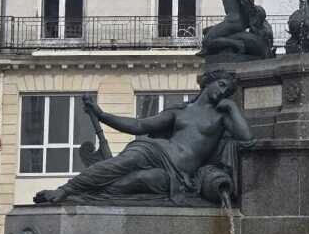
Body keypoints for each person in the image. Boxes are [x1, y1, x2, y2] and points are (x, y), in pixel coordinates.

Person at [33, 71, 255, 207]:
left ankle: (86, 193)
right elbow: (139, 125)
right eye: (223, 85)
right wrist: (102, 115)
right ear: (209, 83)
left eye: (229, 91)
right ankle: (65, 190)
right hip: (154, 150)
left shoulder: (222, 117)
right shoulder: (180, 111)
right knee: (117, 165)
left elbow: (246, 138)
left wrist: (233, 107)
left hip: (178, 174)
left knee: (135, 181)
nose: (224, 92)